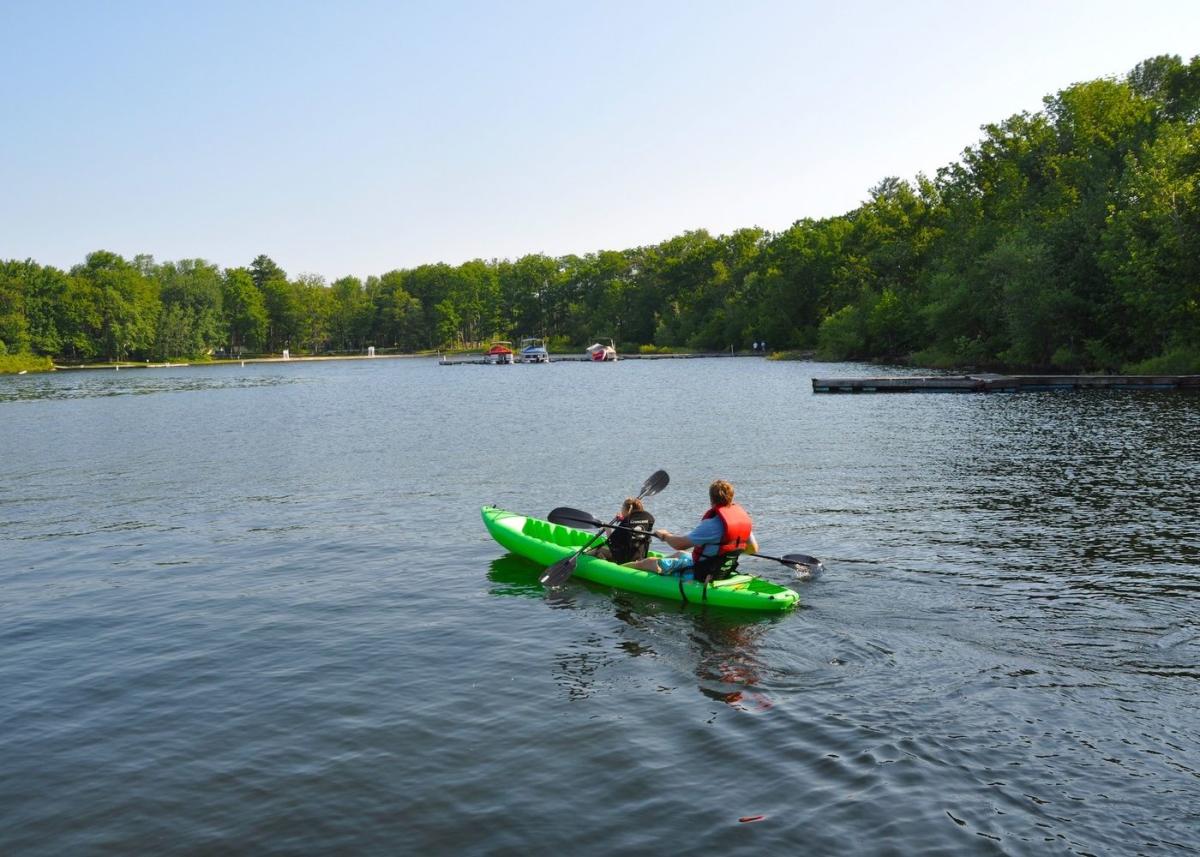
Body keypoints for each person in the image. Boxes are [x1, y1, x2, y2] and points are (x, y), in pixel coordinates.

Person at [626, 479, 757, 582]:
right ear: (731, 497)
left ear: (711, 499)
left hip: (700, 571)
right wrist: (728, 551)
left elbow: (679, 544)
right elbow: (753, 549)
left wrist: (665, 535)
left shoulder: (711, 525)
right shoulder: (742, 521)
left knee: (648, 562)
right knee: (681, 554)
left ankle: (619, 569)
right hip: (721, 569)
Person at [592, 497, 655, 564]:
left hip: (625, 559)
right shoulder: (648, 518)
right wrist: (623, 519)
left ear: (626, 509)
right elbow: (634, 524)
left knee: (596, 551)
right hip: (640, 557)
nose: (621, 509)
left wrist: (607, 528)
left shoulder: (626, 522)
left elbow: (612, 543)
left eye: (622, 507)